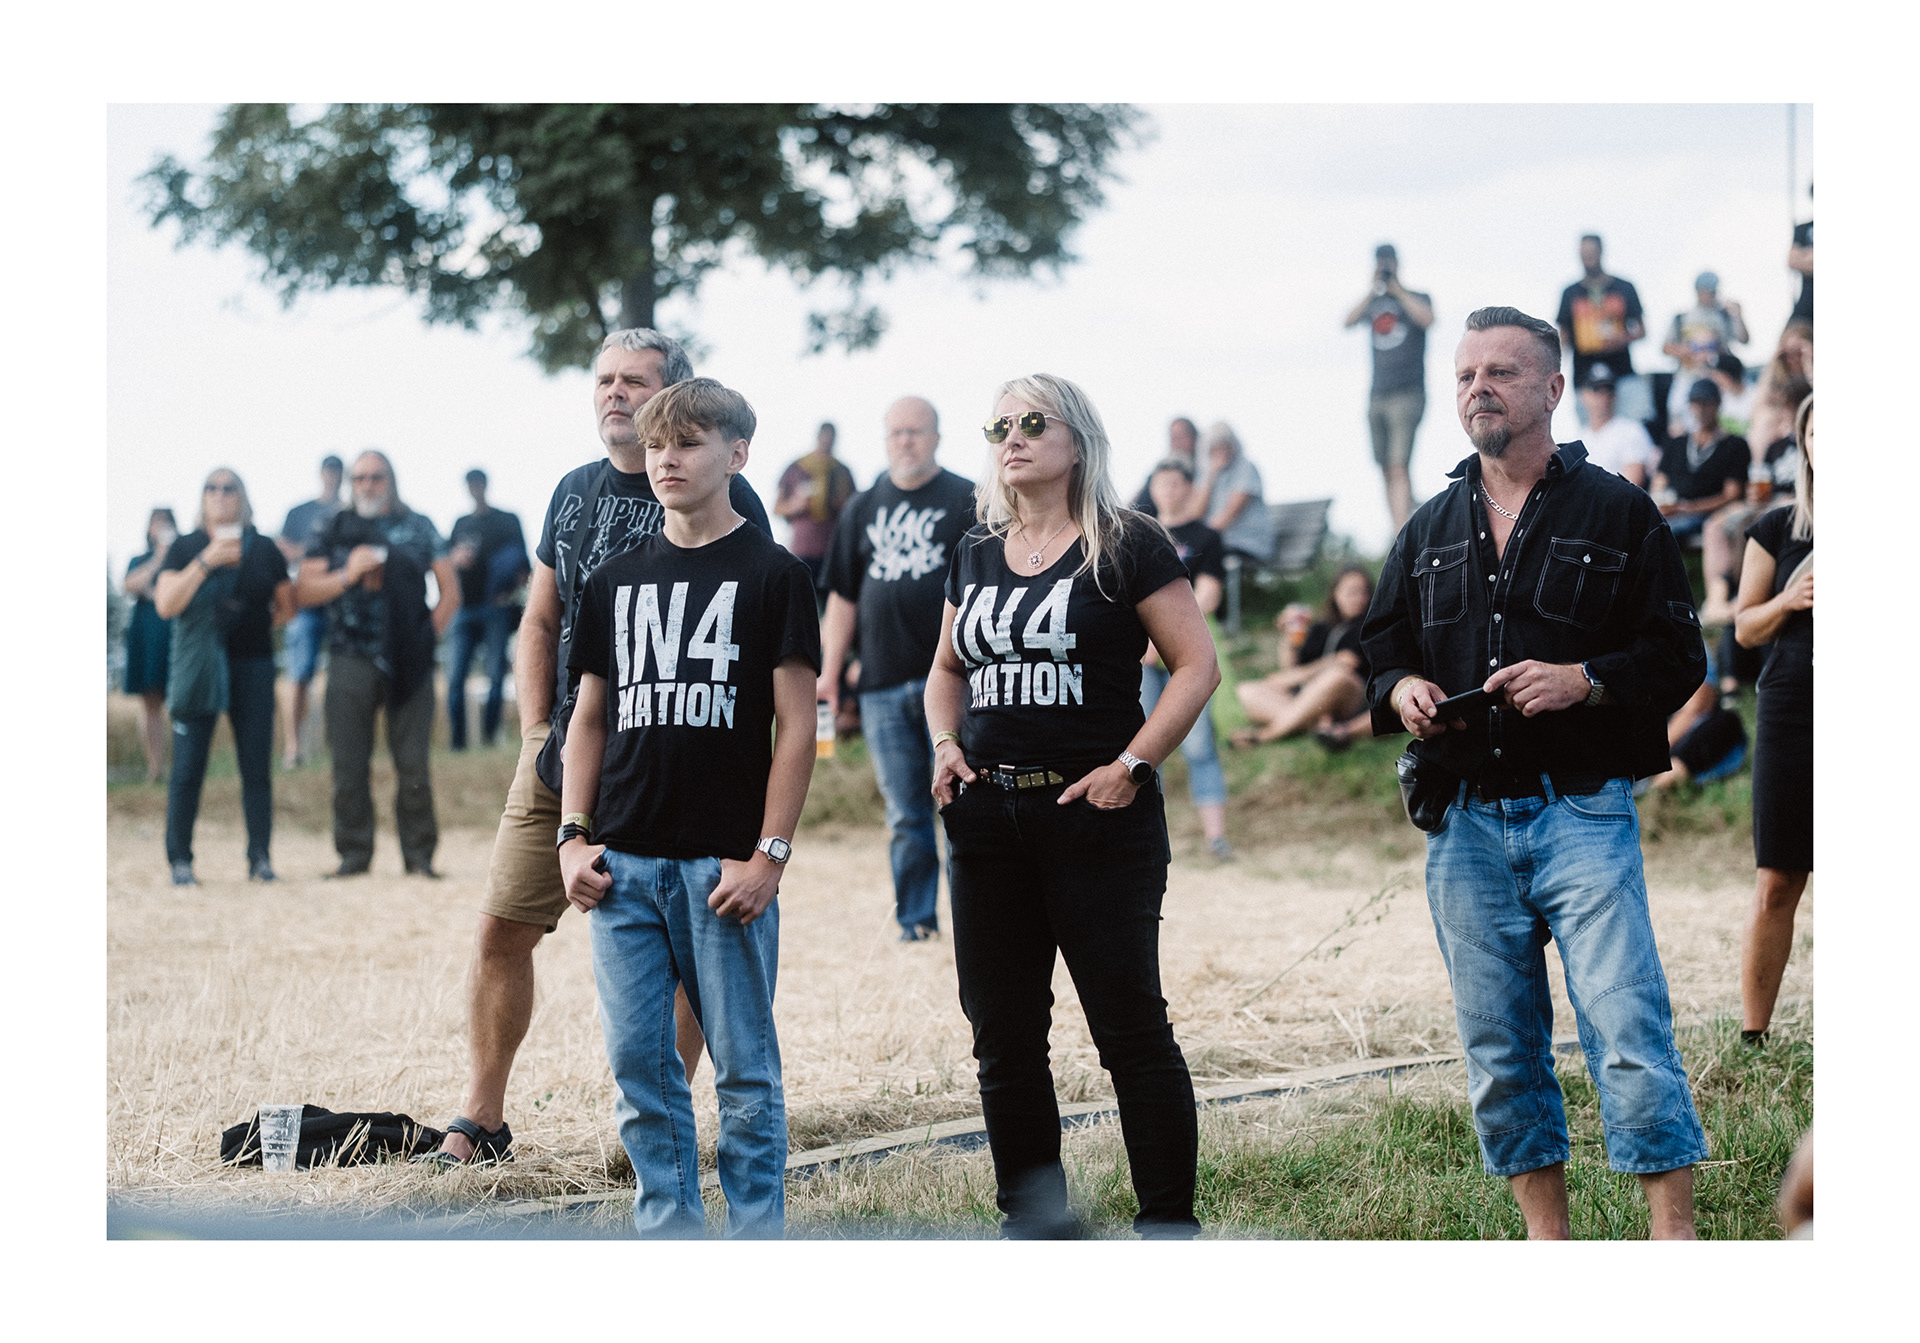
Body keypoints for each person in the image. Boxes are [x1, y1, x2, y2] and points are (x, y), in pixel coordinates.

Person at [1361, 305, 1709, 1240]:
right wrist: (1401, 690)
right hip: (1465, 823)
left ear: (1553, 388)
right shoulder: (1428, 527)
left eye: (1501, 372)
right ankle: (1548, 1252)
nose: (1478, 388)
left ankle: (1674, 1241)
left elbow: (1681, 657)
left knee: (1627, 1033)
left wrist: (1583, 680)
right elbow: (1381, 647)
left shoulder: (1620, 511)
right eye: (1466, 374)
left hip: (1582, 811)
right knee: (1501, 1052)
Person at [417, 329, 771, 1168]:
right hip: (563, 752)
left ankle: (657, 1122)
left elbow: (752, 644)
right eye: (605, 379)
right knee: (501, 928)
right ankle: (483, 1117)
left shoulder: (725, 493)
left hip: (675, 758)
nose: (615, 392)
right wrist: (538, 728)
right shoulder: (572, 491)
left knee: (690, 947)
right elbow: (540, 619)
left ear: (675, 394)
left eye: (635, 381)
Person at [926, 373, 1219, 1239]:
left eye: (1032, 422)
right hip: (987, 819)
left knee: (1129, 1031)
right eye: (999, 427)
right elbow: (945, 668)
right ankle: (1034, 1228)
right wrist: (944, 744)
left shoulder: (1127, 542)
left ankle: (1167, 1226)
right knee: (1004, 1038)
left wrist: (1132, 763)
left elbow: (1196, 665)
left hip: (1096, 818)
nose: (1011, 438)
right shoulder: (976, 549)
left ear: (1078, 441)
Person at [558, 377, 820, 1239]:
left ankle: (755, 1239)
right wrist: (571, 837)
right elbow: (589, 718)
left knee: (744, 1073)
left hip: (723, 868)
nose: (665, 458)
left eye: (688, 442)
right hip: (621, 866)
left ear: (736, 454)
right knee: (642, 1071)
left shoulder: (775, 574)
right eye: (655, 444)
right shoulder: (613, 579)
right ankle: (670, 1239)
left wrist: (769, 855)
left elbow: (796, 726)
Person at [818, 396, 976, 940]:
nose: (906, 441)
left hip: (956, 683)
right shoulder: (862, 507)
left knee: (962, 807)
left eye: (916, 431)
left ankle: (975, 924)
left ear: (937, 437)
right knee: (906, 815)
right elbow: (842, 597)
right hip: (881, 686)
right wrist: (830, 674)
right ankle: (916, 925)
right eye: (896, 432)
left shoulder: (968, 500)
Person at [295, 451, 459, 878]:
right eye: (360, 478)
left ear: (391, 480)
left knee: (414, 764)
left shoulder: (418, 525)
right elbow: (304, 591)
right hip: (349, 656)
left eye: (376, 477)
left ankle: (419, 858)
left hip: (410, 661)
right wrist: (348, 573)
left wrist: (426, 639)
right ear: (351, 483)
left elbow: (450, 591)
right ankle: (353, 855)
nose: (368, 485)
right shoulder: (332, 526)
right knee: (348, 765)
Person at [153, 469, 295, 884]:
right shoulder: (186, 546)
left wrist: (254, 622)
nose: (219, 495)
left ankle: (260, 858)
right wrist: (207, 560)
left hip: (253, 663)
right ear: (202, 498)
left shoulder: (265, 548)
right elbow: (166, 604)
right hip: (201, 669)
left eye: (228, 488)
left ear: (242, 496)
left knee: (256, 767)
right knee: (187, 768)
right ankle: (180, 861)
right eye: (211, 488)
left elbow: (287, 607)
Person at [1733, 393, 1813, 1045]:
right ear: (1804, 444)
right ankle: (1754, 1034)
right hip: (1793, 705)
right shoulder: (1779, 527)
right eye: (1819, 431)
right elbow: (1744, 627)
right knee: (1778, 876)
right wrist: (1790, 599)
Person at [1139, 458, 1232, 857]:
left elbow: (1208, 595)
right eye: (1161, 483)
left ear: (1189, 488)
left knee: (1199, 745)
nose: (1168, 491)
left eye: (1176, 483)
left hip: (1188, 656)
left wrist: (1164, 637)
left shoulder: (1206, 536)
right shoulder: (1138, 533)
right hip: (1142, 660)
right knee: (1141, 747)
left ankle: (1216, 839)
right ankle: (1144, 837)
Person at [1230, 565, 1374, 750]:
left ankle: (1266, 735)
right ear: (1335, 593)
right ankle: (1318, 727)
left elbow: (1345, 665)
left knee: (1337, 676)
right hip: (1310, 701)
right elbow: (1290, 669)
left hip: (1350, 701)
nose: (1359, 598)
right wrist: (1287, 638)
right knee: (1245, 691)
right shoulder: (1321, 628)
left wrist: (1297, 676)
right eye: (1352, 592)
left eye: (1364, 592)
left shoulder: (1370, 629)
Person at [1345, 243, 1435, 532]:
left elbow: (1428, 319)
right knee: (1385, 467)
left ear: (1397, 262)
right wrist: (1372, 290)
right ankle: (1401, 523)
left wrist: (1398, 291)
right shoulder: (1373, 302)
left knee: (1398, 464)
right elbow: (1347, 321)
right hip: (1377, 395)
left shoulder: (1417, 297)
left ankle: (1401, 533)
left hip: (1408, 393)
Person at [446, 468, 531, 751]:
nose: (475, 488)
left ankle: (489, 737)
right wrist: (455, 558)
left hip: (496, 608)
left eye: (478, 483)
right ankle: (457, 743)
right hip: (464, 609)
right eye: (470, 484)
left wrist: (509, 592)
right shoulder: (461, 524)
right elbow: (444, 563)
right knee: (455, 677)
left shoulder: (506, 521)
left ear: (485, 485)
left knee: (495, 674)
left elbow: (524, 567)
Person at [276, 455, 343, 770]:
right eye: (329, 471)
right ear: (321, 474)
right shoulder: (299, 512)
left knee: (343, 677)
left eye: (337, 471)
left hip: (341, 603)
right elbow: (283, 550)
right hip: (305, 604)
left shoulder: (349, 512)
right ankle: (293, 748)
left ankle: (338, 747)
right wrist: (316, 552)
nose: (333, 476)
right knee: (298, 675)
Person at [1556, 234, 1650, 426]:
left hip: (1622, 373)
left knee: (1634, 425)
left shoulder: (1624, 287)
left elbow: (1641, 329)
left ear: (1601, 252)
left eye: (1591, 252)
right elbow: (1563, 335)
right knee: (1593, 434)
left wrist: (1622, 339)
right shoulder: (1570, 293)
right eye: (1583, 253)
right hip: (1584, 377)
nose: (1587, 258)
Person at [1650, 380, 1748, 545]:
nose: (1700, 409)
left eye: (1706, 403)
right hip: (1673, 511)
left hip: (1709, 514)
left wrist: (1689, 508)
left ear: (1717, 403)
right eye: (1695, 403)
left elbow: (1732, 494)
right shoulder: (1676, 443)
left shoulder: (1734, 445)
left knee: (1663, 531)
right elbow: (1659, 483)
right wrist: (1663, 503)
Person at [122, 508, 179, 784]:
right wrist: (158, 558)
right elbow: (129, 585)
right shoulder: (140, 560)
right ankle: (155, 768)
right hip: (146, 635)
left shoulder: (181, 559)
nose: (162, 528)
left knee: (180, 702)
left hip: (174, 634)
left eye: (166, 522)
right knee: (150, 704)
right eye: (157, 523)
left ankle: (181, 766)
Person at [1660, 272, 1748, 436]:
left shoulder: (1724, 315)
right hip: (1687, 377)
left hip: (1718, 379)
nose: (1710, 294)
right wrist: (1688, 350)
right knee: (1680, 423)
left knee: (1722, 422)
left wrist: (1738, 315)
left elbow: (1744, 340)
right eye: (1706, 290)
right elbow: (1666, 347)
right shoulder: (1682, 317)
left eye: (1713, 290)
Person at [775, 421, 855, 599]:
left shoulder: (842, 471)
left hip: (832, 552)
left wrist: (838, 503)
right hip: (802, 549)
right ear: (818, 437)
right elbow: (777, 508)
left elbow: (855, 512)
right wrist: (796, 506)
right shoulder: (797, 468)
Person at [1200, 421, 1274, 566]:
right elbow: (1196, 511)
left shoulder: (1245, 468)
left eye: (1224, 445)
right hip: (1218, 541)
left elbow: (1230, 513)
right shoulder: (1207, 474)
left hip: (1247, 542)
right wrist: (1211, 475)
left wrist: (1199, 538)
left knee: (1199, 555)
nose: (1221, 451)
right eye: (1215, 447)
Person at [1574, 363, 1655, 488]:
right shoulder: (1578, 438)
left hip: (1617, 499)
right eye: (1596, 389)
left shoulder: (1632, 431)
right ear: (1582, 395)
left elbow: (1631, 485)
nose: (1604, 396)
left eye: (1609, 389)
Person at [1130, 417, 1202, 517]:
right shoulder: (1160, 471)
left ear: (1194, 437)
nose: (1176, 443)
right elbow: (1136, 506)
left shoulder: (1203, 470)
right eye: (1173, 437)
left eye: (1181, 437)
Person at [1787, 183, 1813, 328]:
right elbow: (1793, 261)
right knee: (1792, 337)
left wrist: (1807, 254)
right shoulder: (1803, 228)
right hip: (1807, 302)